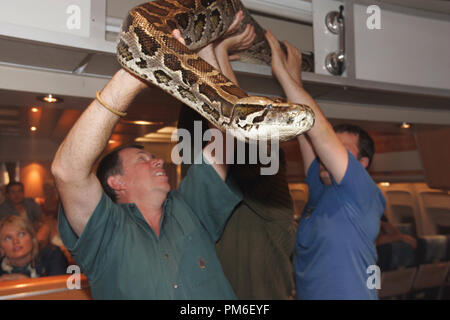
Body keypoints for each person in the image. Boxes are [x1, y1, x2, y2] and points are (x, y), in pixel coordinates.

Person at [51, 15, 251, 300]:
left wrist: (208, 45)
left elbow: (228, 134)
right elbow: (66, 170)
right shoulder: (104, 234)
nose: (158, 161)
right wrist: (136, 71)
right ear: (116, 181)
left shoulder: (190, 208)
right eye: (143, 159)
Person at [177, 18, 296, 299]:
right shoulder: (243, 183)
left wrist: (213, 49)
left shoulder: (268, 175)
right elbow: (234, 115)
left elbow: (235, 121)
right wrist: (216, 51)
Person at [265, 31, 386, 299]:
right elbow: (308, 132)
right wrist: (295, 77)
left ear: (362, 164)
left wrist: (282, 75)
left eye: (340, 150)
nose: (325, 155)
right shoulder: (321, 188)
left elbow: (320, 133)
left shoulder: (362, 193)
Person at [0, 215, 68, 281]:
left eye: (21, 234)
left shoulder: (52, 254)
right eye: (8, 238)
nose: (15, 241)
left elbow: (59, 289)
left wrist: (25, 281)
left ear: (32, 238)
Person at [0, 181, 50, 246]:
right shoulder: (3, 208)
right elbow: (13, 227)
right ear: (8, 195)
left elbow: (42, 218)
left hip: (36, 233)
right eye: (13, 192)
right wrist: (33, 226)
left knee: (48, 225)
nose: (17, 195)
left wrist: (42, 224)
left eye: (20, 191)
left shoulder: (30, 202)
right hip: (17, 237)